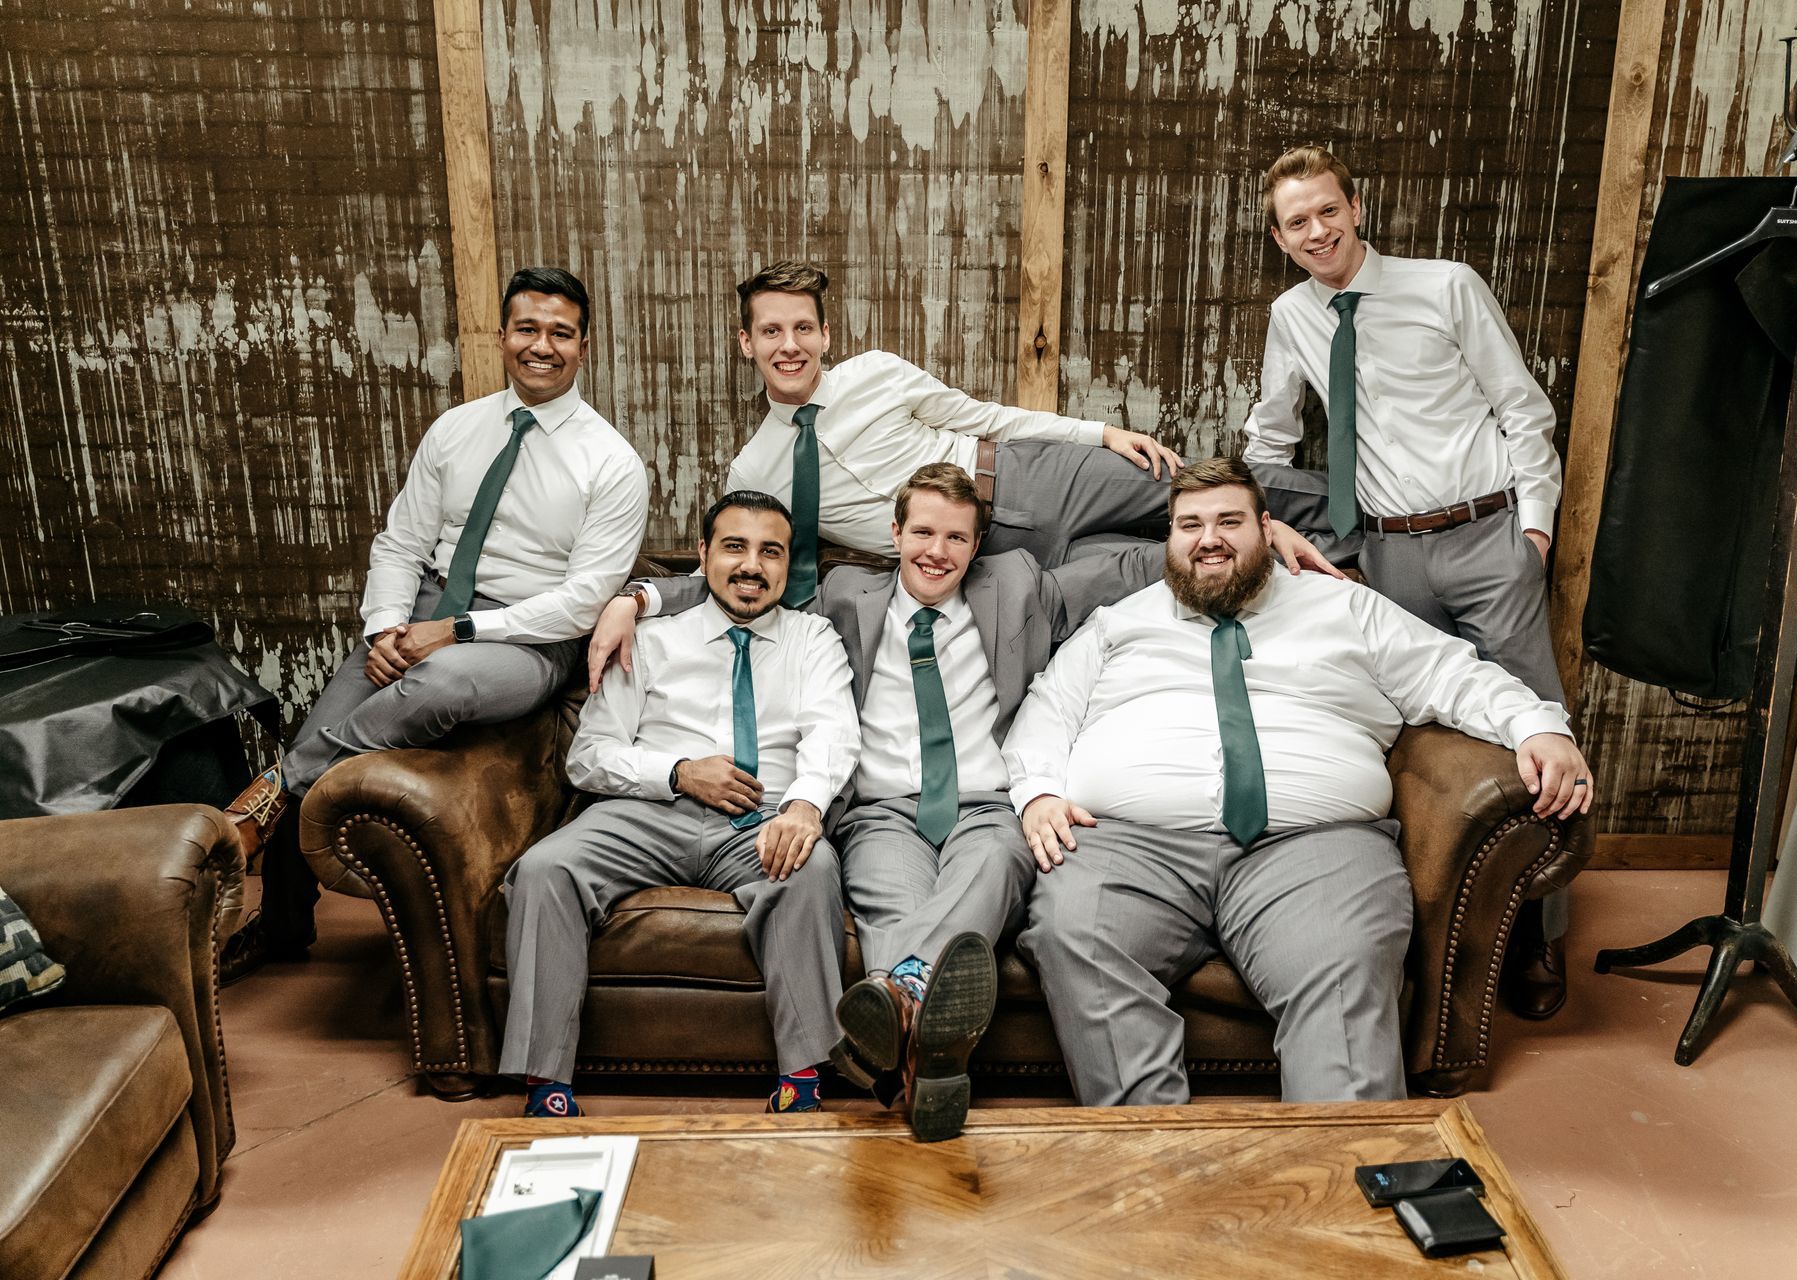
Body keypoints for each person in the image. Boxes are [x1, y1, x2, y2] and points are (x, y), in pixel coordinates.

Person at [595, 463, 1168, 1140]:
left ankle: (902, 1010)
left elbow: (1130, 566)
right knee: (888, 901)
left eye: (956, 537)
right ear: (894, 533)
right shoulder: (845, 594)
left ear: (976, 545)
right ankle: (928, 1061)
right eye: (922, 531)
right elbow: (741, 582)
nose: (937, 551)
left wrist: (1265, 535)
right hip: (884, 812)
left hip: (986, 805)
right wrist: (637, 598)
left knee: (990, 868)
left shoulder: (1016, 583)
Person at [1005, 458, 1593, 1106]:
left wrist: (1538, 726)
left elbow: (1455, 674)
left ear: (1266, 528)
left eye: (1230, 521)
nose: (1209, 539)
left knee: (1344, 958)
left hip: (1315, 846)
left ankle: (1341, 1173)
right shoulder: (1117, 624)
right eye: (1189, 525)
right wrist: (1037, 792)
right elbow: (1046, 709)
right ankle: (1154, 1162)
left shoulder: (1345, 607)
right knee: (1074, 933)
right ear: (1169, 539)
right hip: (1129, 846)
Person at [219, 267, 648, 977]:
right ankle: (284, 924)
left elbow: (581, 600)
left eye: (561, 334)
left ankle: (275, 793)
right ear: (503, 335)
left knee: (441, 684)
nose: (542, 346)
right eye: (528, 329)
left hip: (527, 639)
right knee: (339, 707)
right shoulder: (455, 429)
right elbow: (400, 543)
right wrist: (387, 627)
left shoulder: (612, 462)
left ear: (585, 345)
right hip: (424, 608)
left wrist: (452, 633)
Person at [1243, 145, 1574, 1017]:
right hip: (1383, 558)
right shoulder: (1293, 317)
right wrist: (1277, 523)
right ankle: (1436, 933)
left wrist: (1532, 528)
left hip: (1487, 535)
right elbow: (1269, 441)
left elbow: (1521, 407)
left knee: (1536, 732)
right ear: (1279, 239)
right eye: (1296, 222)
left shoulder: (1446, 286)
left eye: (1326, 211)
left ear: (1356, 205)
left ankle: (1539, 941)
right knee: (1409, 740)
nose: (1317, 231)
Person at [498, 491, 859, 1117]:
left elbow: (833, 733)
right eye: (734, 547)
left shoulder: (813, 639)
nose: (752, 566)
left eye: (770, 552)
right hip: (643, 813)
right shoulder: (654, 639)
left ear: (789, 563)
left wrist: (803, 806)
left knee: (812, 869)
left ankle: (801, 1081)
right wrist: (679, 772)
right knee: (544, 869)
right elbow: (589, 756)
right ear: (703, 555)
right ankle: (545, 1086)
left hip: (760, 819)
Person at [721, 260, 1341, 600]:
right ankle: (1351, 566)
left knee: (1210, 490)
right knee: (1185, 562)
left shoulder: (876, 373)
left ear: (824, 335)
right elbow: (729, 562)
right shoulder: (756, 472)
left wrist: (1099, 434)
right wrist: (639, 600)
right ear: (748, 343)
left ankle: (1363, 509)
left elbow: (988, 417)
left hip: (1032, 475)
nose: (790, 345)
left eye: (803, 328)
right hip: (989, 558)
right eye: (772, 332)